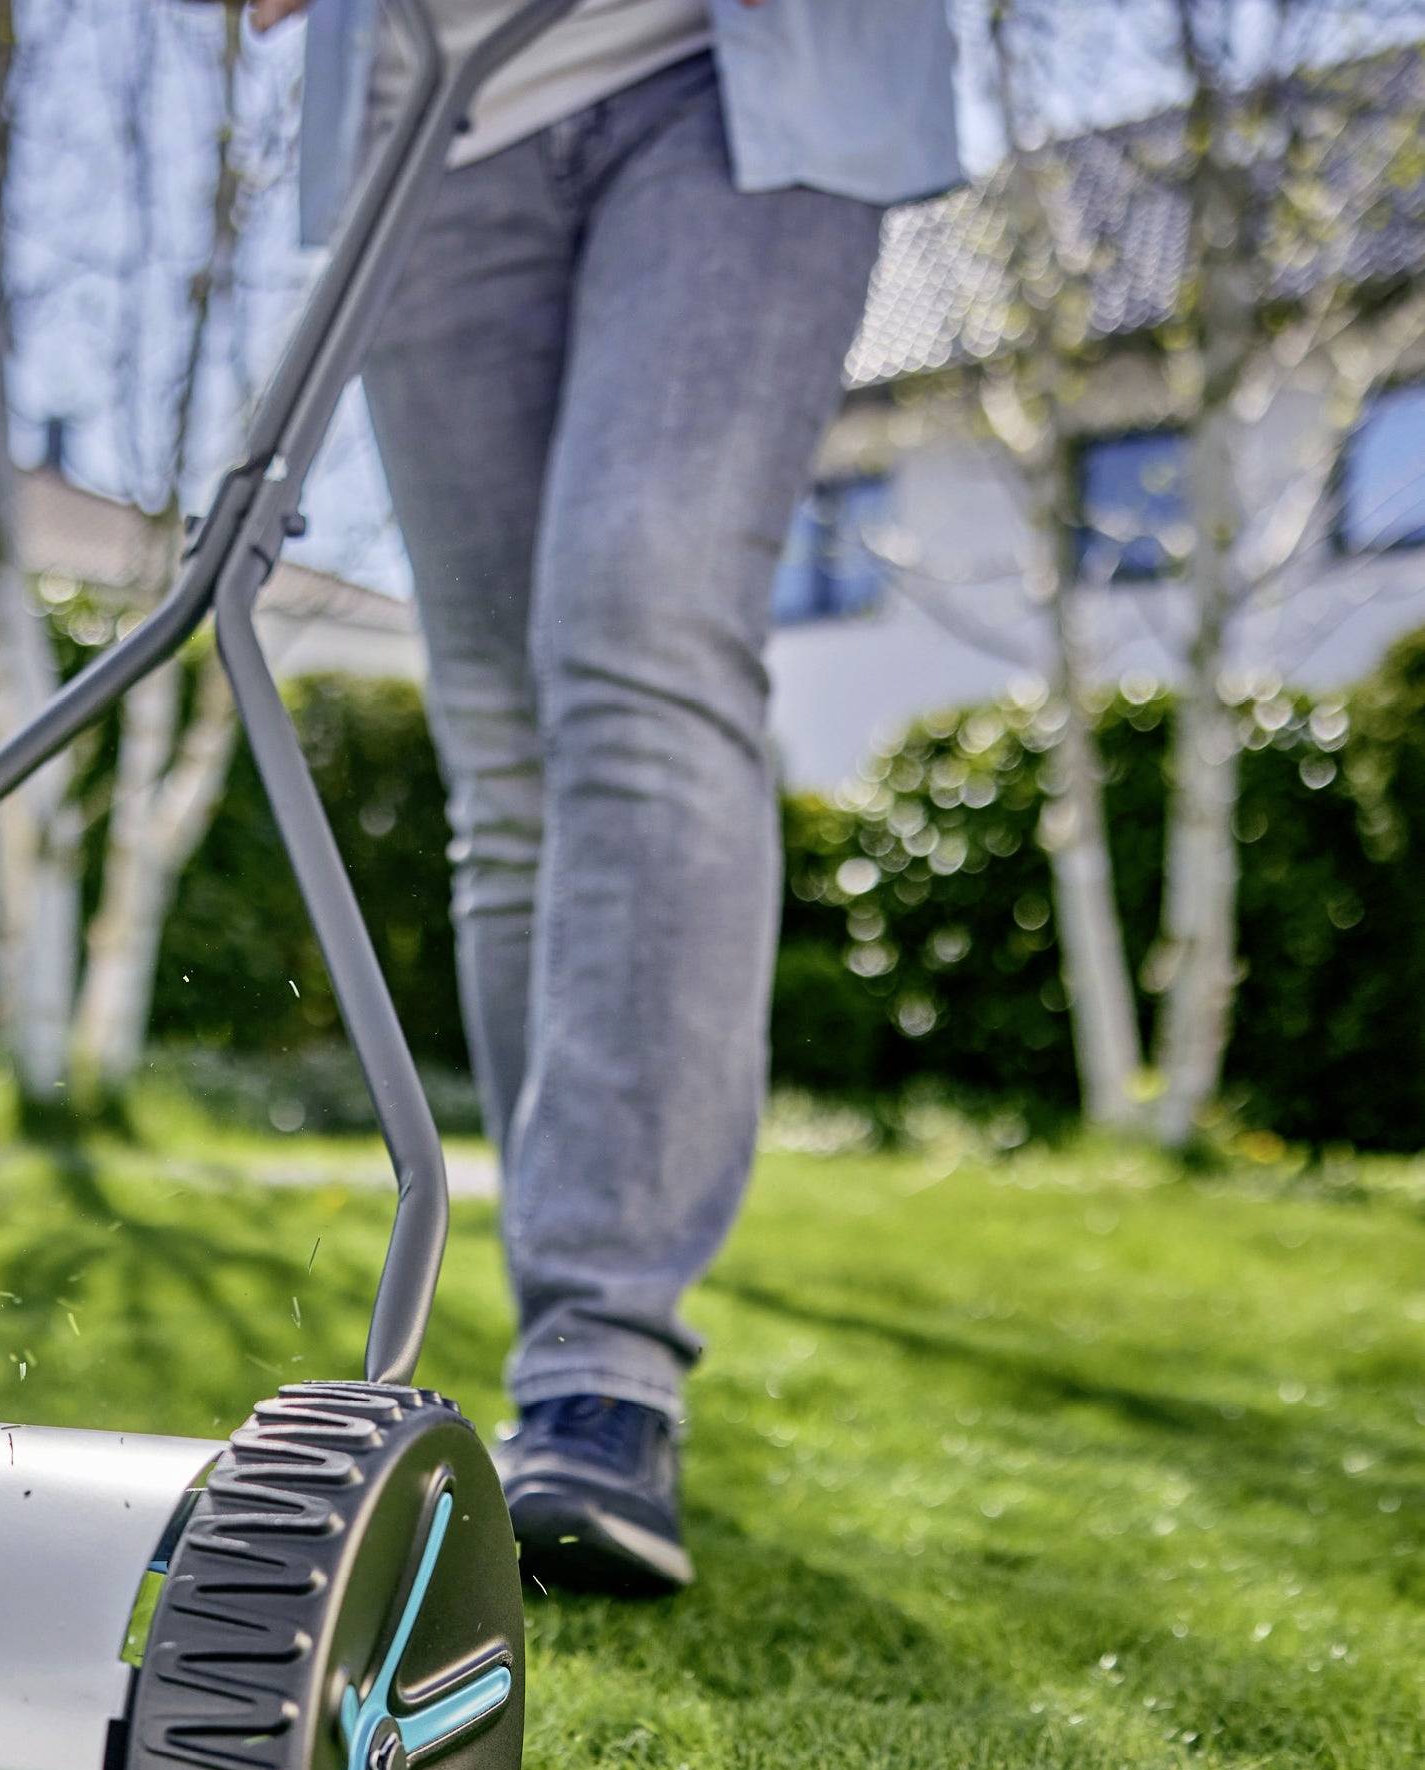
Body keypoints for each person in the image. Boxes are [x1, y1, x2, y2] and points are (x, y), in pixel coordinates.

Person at [255, 0, 960, 1593]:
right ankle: (563, 1362)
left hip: (735, 73)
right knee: (504, 750)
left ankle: (605, 1368)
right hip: (428, 122)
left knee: (640, 620)